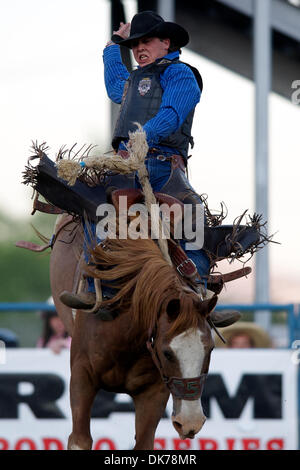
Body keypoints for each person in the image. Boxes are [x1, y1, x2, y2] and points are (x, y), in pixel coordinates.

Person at [59, 11, 240, 329]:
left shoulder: (181, 74)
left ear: (165, 42)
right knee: (93, 206)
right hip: (126, 163)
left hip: (163, 166)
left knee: (191, 212)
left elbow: (173, 111)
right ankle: (96, 289)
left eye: (146, 41)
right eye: (134, 44)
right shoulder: (133, 81)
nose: (139, 48)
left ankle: (197, 294)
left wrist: (144, 136)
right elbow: (116, 85)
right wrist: (112, 46)